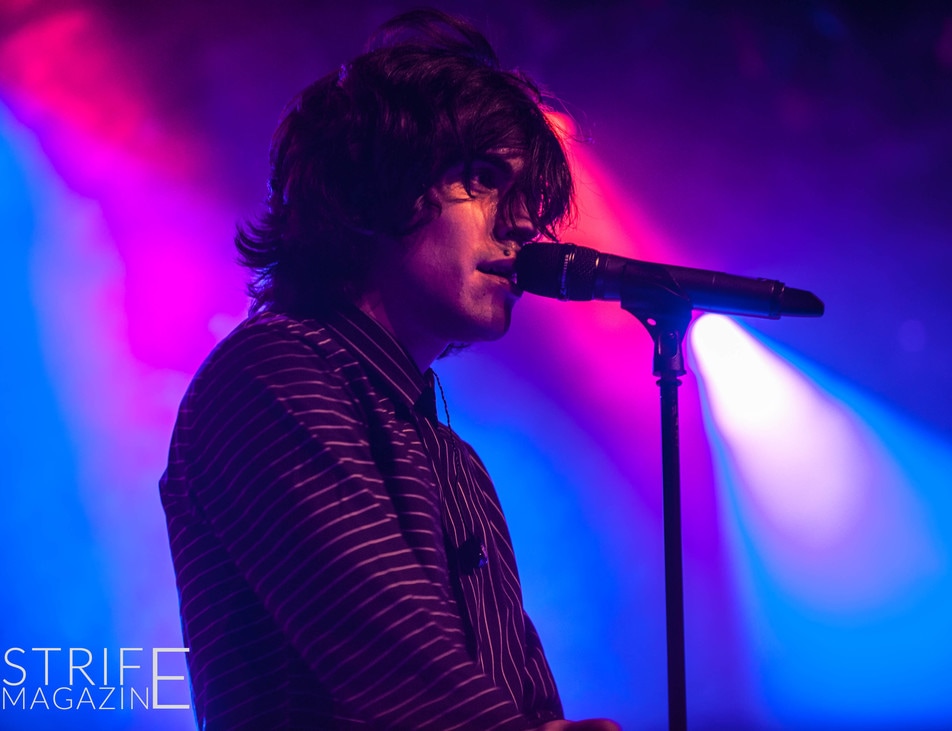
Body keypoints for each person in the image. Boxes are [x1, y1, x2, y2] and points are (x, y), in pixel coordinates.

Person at [159, 9, 619, 731]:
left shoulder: (452, 460)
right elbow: (399, 675)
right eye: (483, 178)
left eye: (527, 197)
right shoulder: (271, 373)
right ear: (373, 186)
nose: (525, 223)